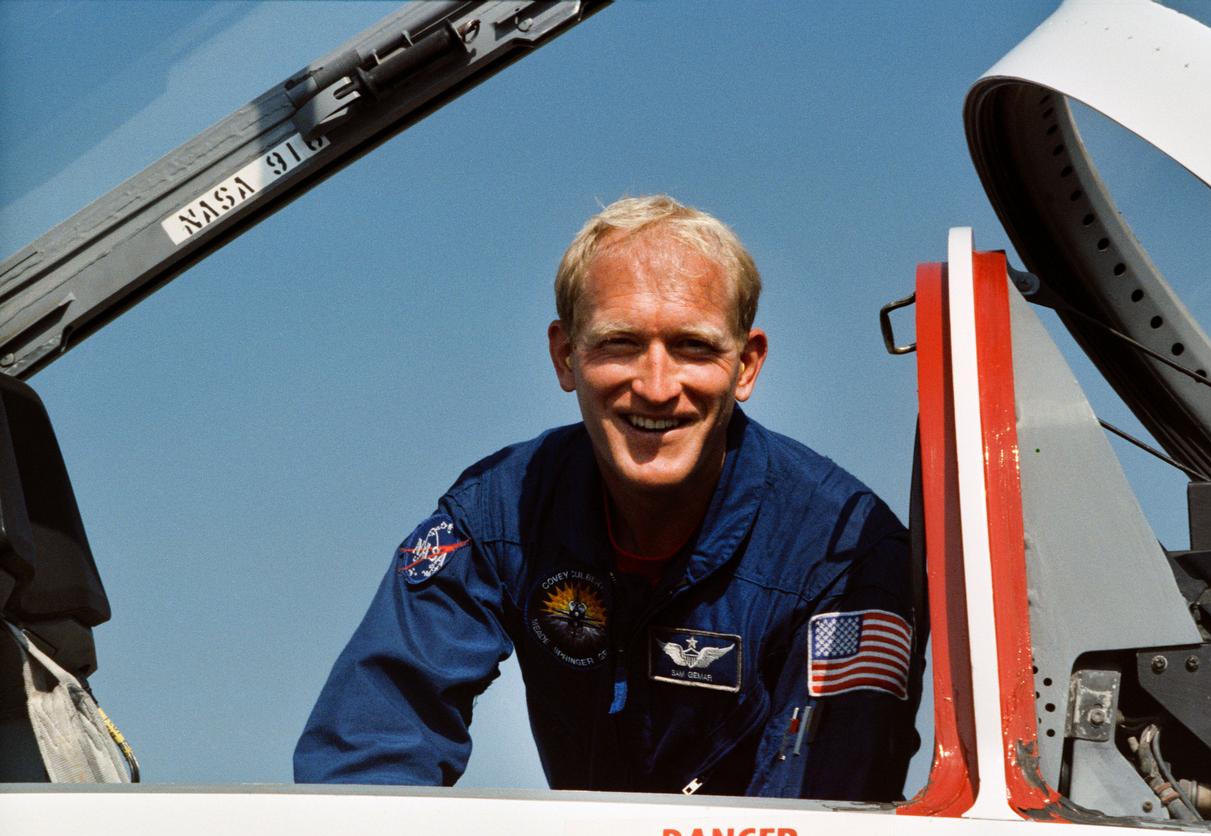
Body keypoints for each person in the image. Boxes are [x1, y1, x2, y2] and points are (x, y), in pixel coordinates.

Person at [294, 195, 920, 799]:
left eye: (693, 347)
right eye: (619, 343)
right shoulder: (498, 514)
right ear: (566, 357)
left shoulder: (845, 555)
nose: (655, 386)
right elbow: (368, 754)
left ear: (747, 365)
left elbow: (829, 805)